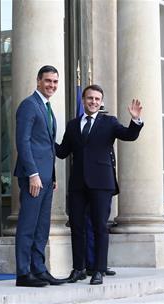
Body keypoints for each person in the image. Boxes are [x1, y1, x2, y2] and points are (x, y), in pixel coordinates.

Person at [56, 84, 143, 285]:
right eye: (89, 98)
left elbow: (129, 135)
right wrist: (44, 138)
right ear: (83, 100)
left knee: (99, 227)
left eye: (97, 99)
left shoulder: (109, 122)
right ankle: (78, 269)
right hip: (78, 184)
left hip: (101, 183)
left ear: (101, 102)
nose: (93, 102)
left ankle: (99, 270)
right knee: (77, 226)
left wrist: (136, 120)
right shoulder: (72, 125)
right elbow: (62, 152)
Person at [14, 65, 66, 287]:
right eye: (48, 81)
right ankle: (23, 273)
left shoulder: (47, 107)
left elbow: (47, 147)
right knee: (28, 225)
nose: (51, 85)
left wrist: (52, 176)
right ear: (38, 81)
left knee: (42, 226)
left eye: (55, 82)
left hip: (46, 178)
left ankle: (39, 269)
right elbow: (23, 142)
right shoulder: (29, 105)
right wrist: (33, 174)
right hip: (33, 177)